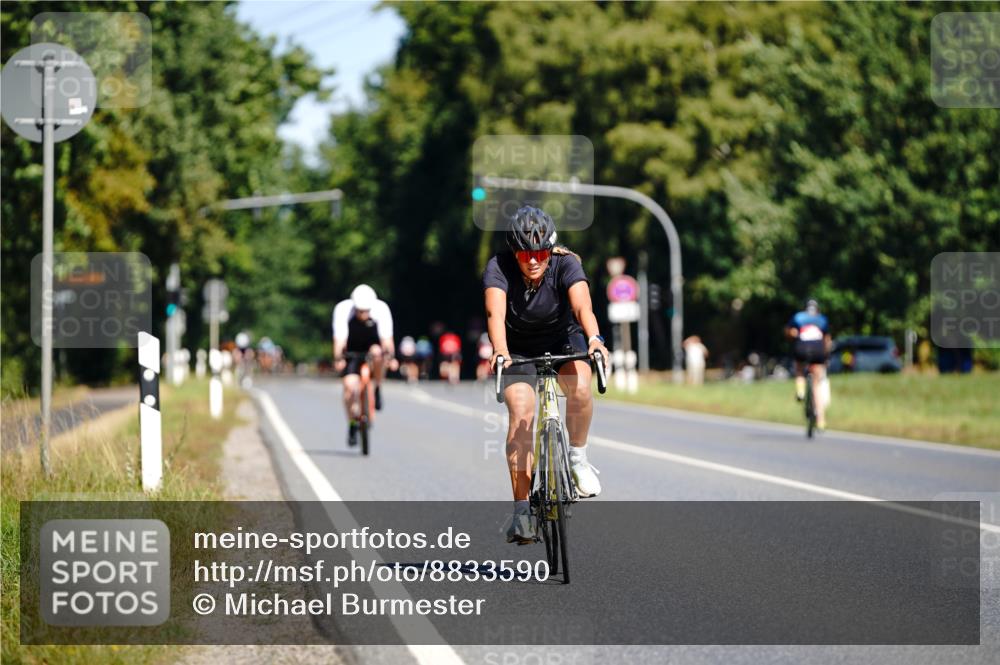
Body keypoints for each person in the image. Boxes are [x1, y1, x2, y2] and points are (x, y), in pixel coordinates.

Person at [483, 204, 610, 544]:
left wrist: (595, 340)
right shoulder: (499, 267)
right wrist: (499, 350)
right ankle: (522, 510)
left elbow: (584, 307)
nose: (534, 260)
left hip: (563, 339)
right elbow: (495, 315)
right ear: (515, 251)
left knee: (581, 388)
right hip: (518, 348)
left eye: (540, 252)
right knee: (522, 413)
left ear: (550, 249)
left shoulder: (566, 263)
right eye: (526, 253)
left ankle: (577, 459)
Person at [332, 284, 397, 446]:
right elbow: (339, 339)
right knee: (349, 386)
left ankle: (377, 386)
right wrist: (338, 359)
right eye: (360, 310)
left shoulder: (381, 309)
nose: (363, 314)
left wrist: (391, 357)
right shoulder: (343, 310)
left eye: (366, 310)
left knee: (377, 352)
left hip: (372, 347)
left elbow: (387, 340)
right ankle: (352, 424)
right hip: (352, 350)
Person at [785, 298, 831, 431]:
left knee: (799, 368)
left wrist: (792, 335)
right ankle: (821, 421)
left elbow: (789, 332)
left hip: (802, 348)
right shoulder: (822, 319)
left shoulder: (798, 317)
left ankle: (800, 390)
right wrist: (826, 356)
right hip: (818, 350)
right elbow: (827, 340)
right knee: (817, 385)